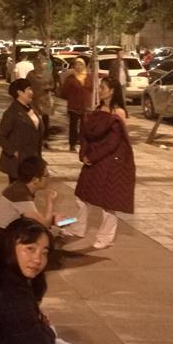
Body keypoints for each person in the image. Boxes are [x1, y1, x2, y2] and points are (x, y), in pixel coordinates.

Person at [68, 77, 135, 249]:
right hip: (93, 158)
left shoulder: (118, 113)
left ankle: (105, 238)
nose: (100, 90)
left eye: (103, 87)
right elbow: (86, 134)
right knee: (81, 196)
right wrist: (84, 154)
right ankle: (78, 228)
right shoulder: (98, 110)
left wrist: (92, 157)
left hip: (110, 162)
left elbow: (114, 142)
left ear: (112, 91)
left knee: (108, 202)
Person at [0, 157, 59, 241]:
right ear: (35, 180)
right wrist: (50, 201)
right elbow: (44, 225)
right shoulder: (21, 194)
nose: (49, 178)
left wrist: (52, 217)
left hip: (0, 233)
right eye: (46, 176)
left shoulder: (19, 186)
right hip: (0, 238)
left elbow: (35, 217)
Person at [0, 78, 44, 184]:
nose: (32, 92)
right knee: (18, 190)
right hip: (18, 162)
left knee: (29, 190)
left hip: (32, 159)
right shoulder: (12, 112)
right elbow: (0, 136)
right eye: (29, 89)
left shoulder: (32, 109)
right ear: (20, 92)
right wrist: (14, 152)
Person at [61, 58, 92, 152]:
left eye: (81, 64)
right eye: (76, 64)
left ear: (84, 66)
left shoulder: (89, 77)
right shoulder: (70, 78)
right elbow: (64, 92)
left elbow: (92, 89)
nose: (78, 66)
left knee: (84, 126)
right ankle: (72, 144)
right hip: (73, 105)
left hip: (85, 105)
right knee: (73, 126)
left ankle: (83, 143)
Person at [26, 51, 55, 148]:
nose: (44, 64)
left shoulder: (48, 74)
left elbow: (52, 85)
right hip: (34, 99)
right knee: (34, 120)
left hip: (45, 99)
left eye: (44, 62)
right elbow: (27, 85)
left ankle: (45, 139)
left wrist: (49, 88)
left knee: (45, 120)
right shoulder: (31, 74)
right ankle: (34, 138)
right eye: (42, 62)